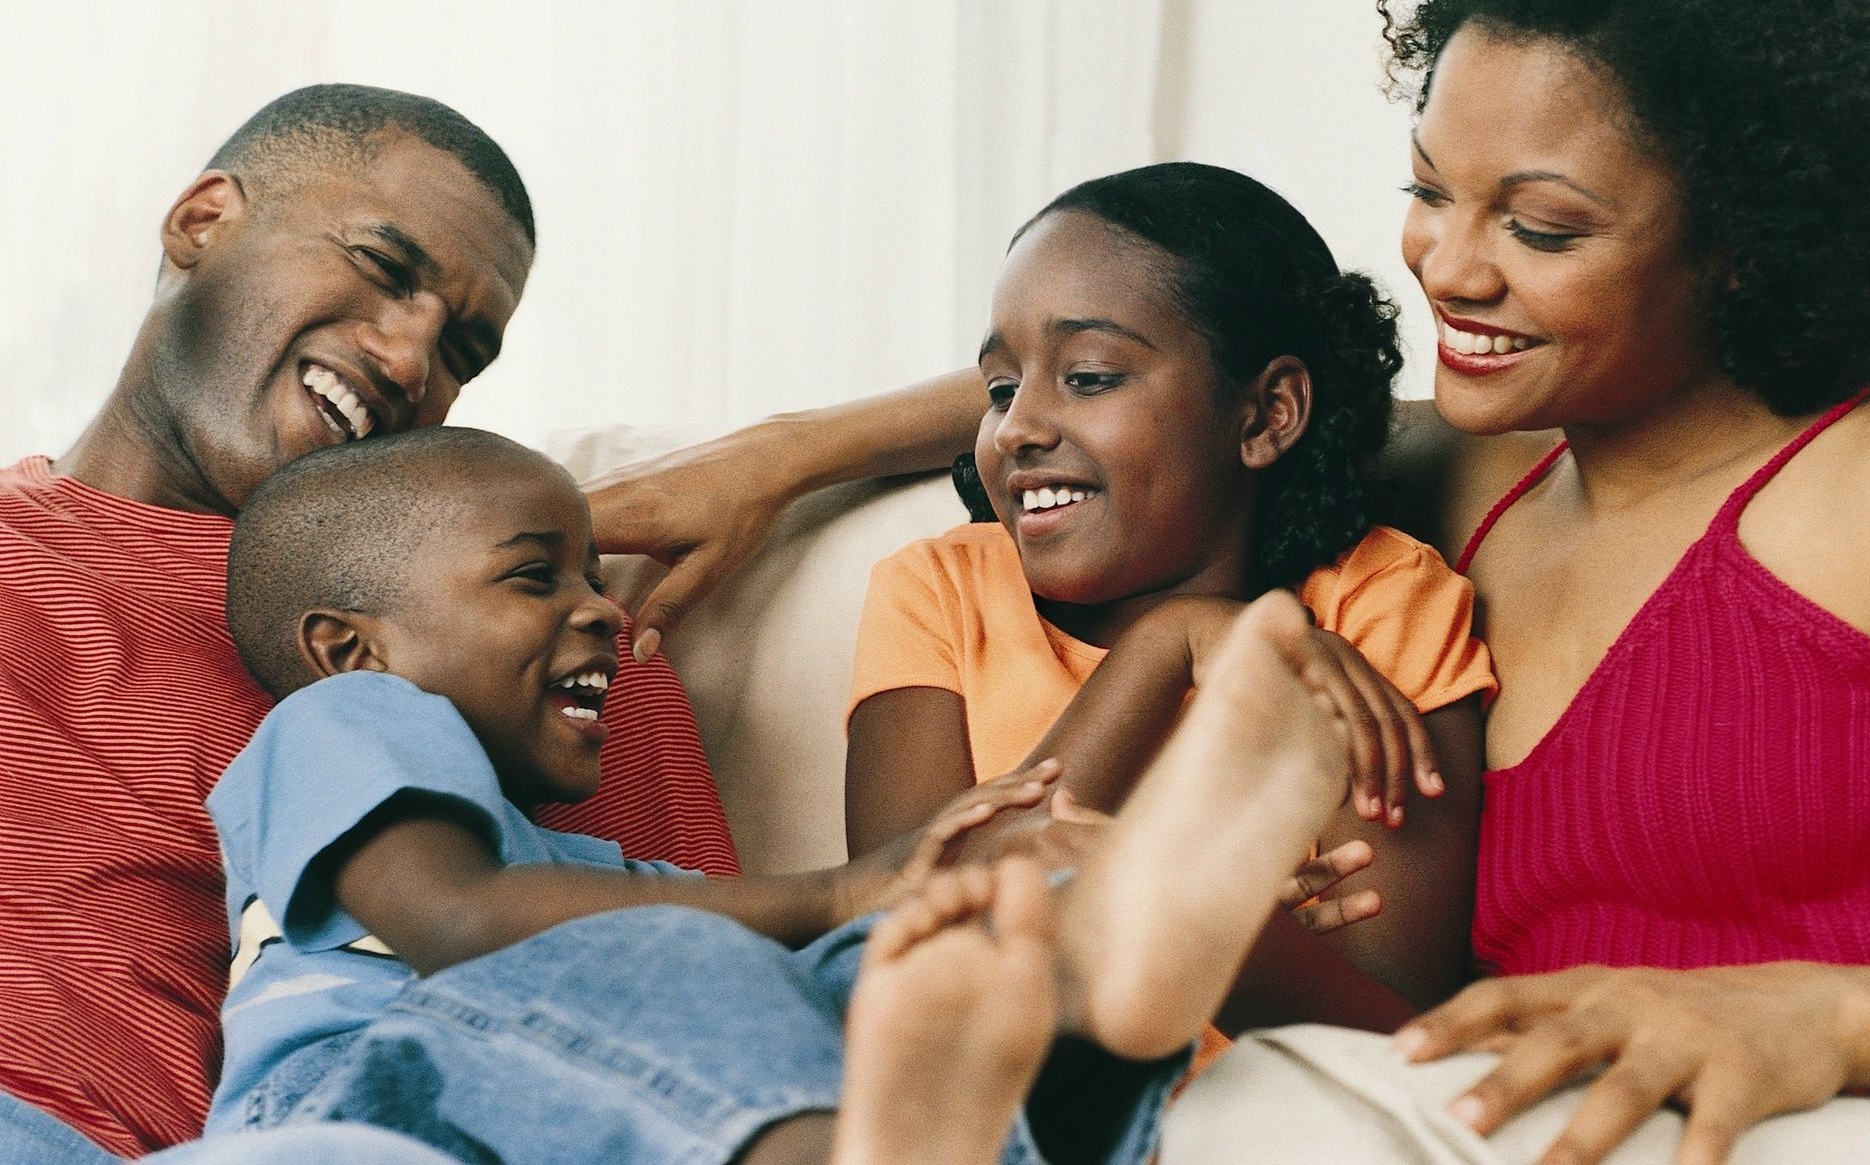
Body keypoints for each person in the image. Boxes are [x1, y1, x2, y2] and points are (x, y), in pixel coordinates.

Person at [590, 0, 1870, 1159]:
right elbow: (1163, 376)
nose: (1449, 268)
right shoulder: (1487, 469)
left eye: (1540, 226)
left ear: (1747, 235)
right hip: (1469, 1108)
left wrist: (1833, 1014)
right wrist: (777, 456)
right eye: (1428, 191)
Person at [199, 424, 1383, 1165]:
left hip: (610, 1113)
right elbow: (459, 926)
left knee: (936, 948)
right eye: (531, 577)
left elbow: (906, 880)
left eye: (590, 574)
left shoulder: (624, 890)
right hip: (365, 1099)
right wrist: (832, 893)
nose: (603, 608)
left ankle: (1098, 984)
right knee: (692, 960)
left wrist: (1055, 863)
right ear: (349, 648)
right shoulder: (344, 720)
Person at [0, 84, 737, 1157]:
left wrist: (798, 450)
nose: (408, 362)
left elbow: (704, 1008)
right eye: (384, 270)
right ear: (203, 221)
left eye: (462, 352)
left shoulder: (509, 639)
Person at [843, 163, 1496, 1038]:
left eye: (1090, 376)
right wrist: (1169, 643)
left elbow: (1391, 1021)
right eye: (1002, 389)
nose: (1018, 427)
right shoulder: (940, 591)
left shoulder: (1381, 609)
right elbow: (913, 945)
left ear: (1266, 414)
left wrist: (1190, 927)